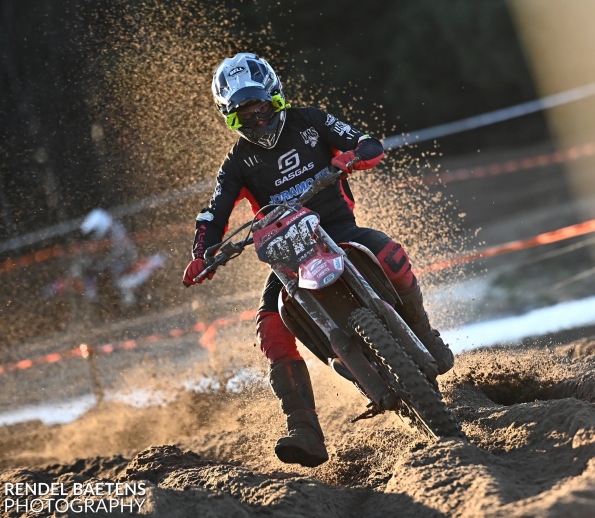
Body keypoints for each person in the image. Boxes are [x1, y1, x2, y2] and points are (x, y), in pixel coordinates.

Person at [182, 52, 454, 467]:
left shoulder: (309, 120)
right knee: (271, 328)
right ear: (231, 120)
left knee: (391, 255)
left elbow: (365, 143)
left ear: (277, 98)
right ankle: (303, 428)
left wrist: (354, 154)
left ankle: (424, 333)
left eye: (262, 109)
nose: (257, 120)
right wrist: (203, 254)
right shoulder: (236, 163)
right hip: (286, 255)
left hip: (337, 228)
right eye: (245, 116)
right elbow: (213, 213)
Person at [79, 208, 140, 307]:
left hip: (122, 263)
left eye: (93, 232)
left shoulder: (115, 232)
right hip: (111, 262)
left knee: (119, 278)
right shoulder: (109, 231)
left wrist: (100, 265)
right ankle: (94, 298)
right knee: (89, 271)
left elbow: (120, 252)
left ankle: (128, 299)